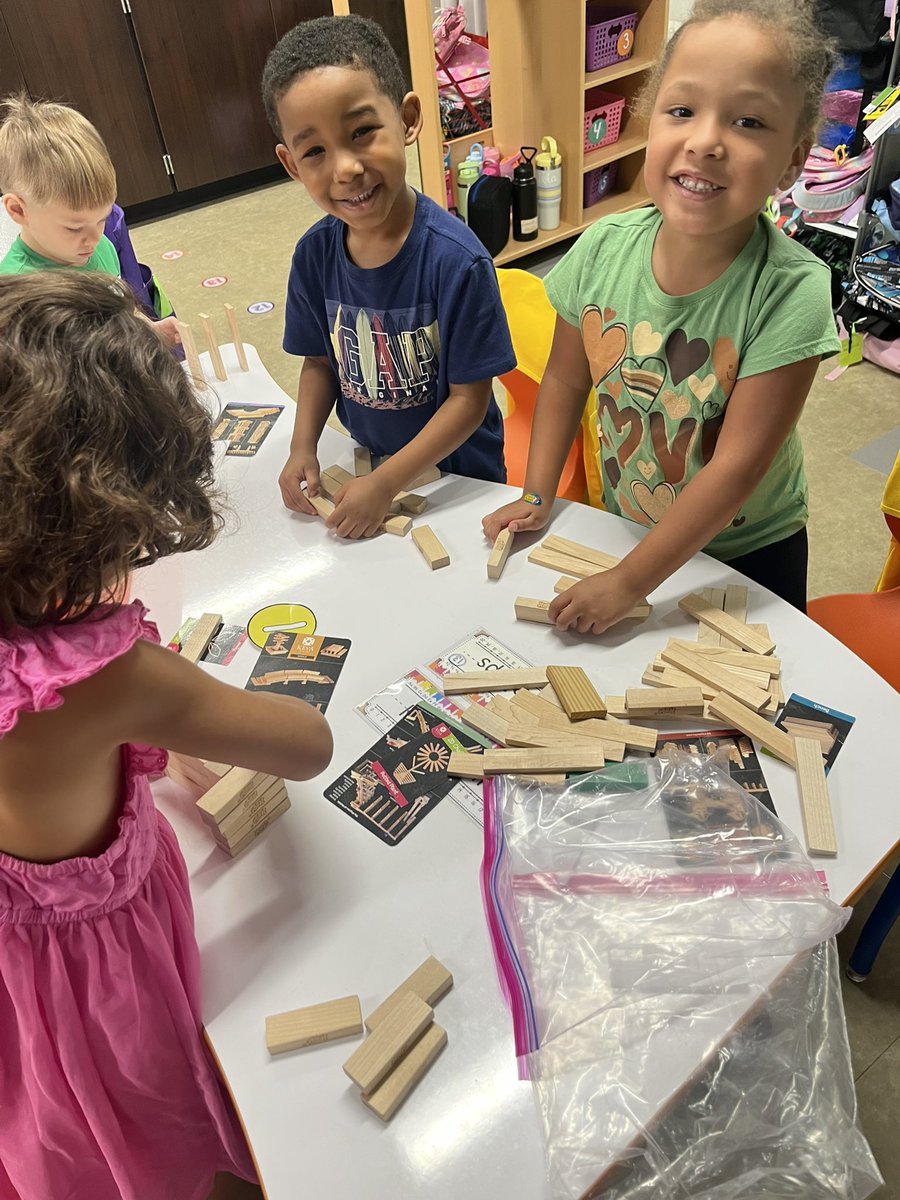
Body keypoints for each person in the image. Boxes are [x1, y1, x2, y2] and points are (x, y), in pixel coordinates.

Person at [0, 272, 333, 1200]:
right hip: (98, 973)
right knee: (147, 1116)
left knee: (41, 1106)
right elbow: (306, 744)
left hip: (9, 963)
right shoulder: (109, 680)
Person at [483, 0, 840, 630]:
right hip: (628, 526)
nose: (704, 141)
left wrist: (627, 582)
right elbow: (566, 381)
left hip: (748, 555)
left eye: (749, 121)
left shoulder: (792, 291)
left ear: (792, 159)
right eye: (682, 110)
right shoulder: (599, 248)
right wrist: (537, 494)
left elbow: (737, 468)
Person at [262, 15, 516, 538]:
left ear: (408, 119)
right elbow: (319, 362)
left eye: (361, 132)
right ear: (291, 165)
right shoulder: (313, 257)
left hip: (461, 482)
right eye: (315, 151)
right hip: (371, 466)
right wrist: (301, 447)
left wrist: (388, 484)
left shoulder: (457, 262)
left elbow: (469, 402)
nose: (346, 169)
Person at [0, 95, 180, 347]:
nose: (94, 238)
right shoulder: (16, 295)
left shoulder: (100, 247)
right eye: (74, 228)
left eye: (101, 219)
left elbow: (121, 310)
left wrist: (150, 330)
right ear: (19, 210)